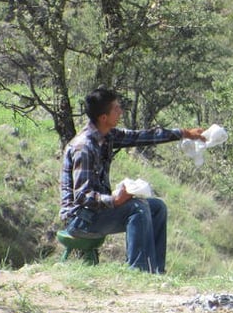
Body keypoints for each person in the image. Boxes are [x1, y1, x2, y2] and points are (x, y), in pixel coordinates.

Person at [59, 87, 205, 273]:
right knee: (137, 208)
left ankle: (155, 270)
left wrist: (184, 133)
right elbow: (81, 196)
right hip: (80, 220)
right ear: (103, 117)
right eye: (116, 109)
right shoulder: (84, 147)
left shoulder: (106, 136)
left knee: (157, 207)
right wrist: (114, 200)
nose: (120, 112)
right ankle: (139, 270)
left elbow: (142, 136)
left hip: (94, 213)